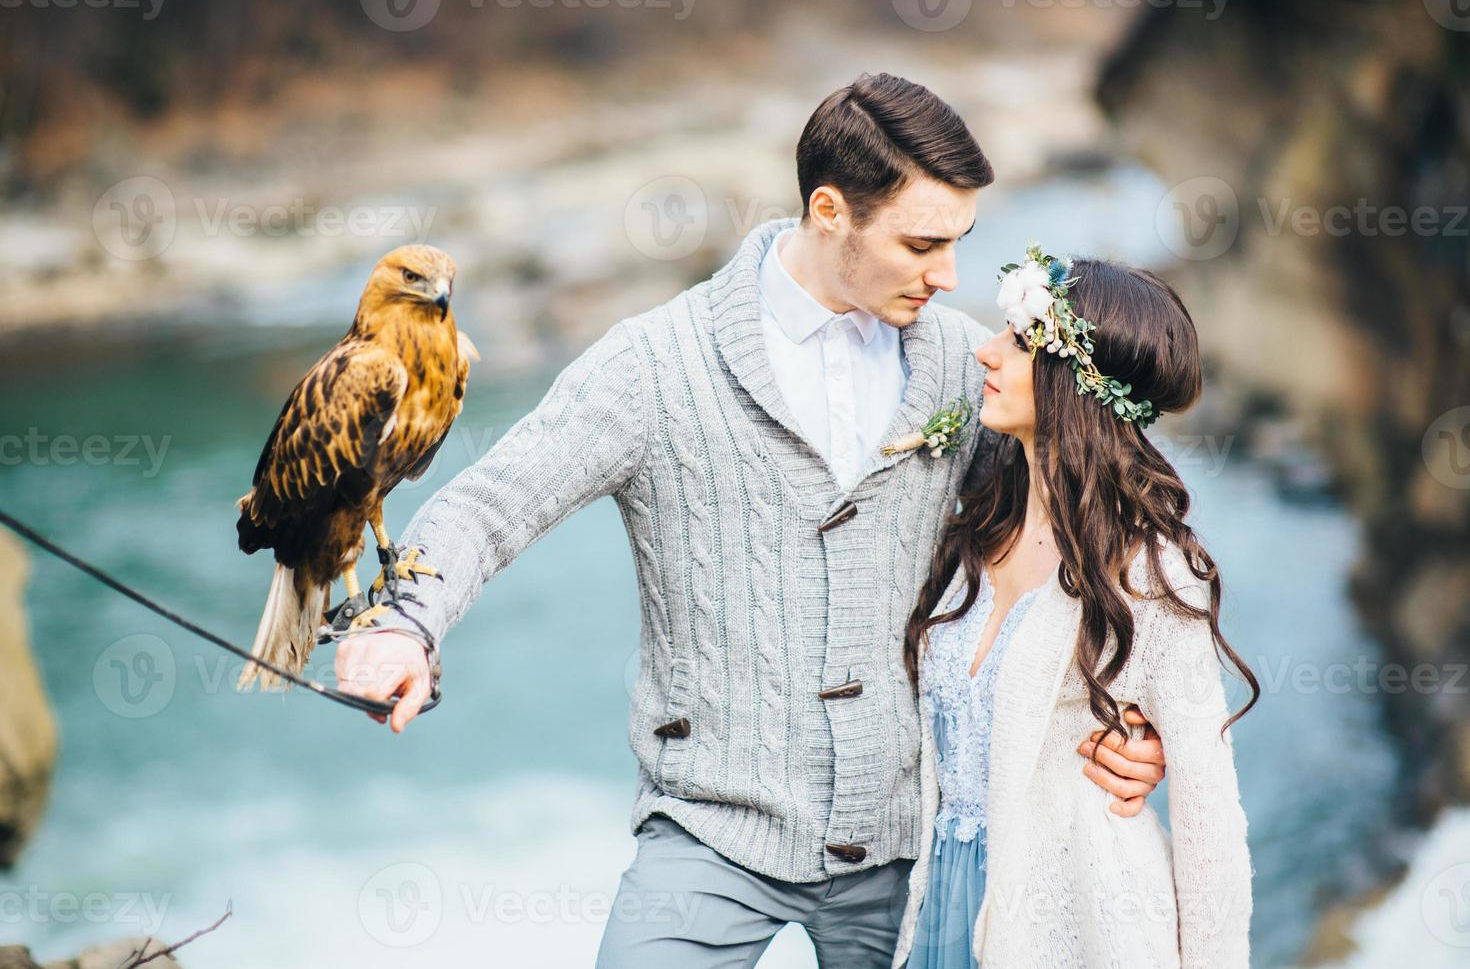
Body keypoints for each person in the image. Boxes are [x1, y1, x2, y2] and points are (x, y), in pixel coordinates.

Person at [336, 72, 1171, 967]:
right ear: (830, 211)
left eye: (959, 243)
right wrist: (406, 626)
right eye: (922, 243)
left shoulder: (968, 368)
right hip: (705, 836)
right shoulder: (654, 365)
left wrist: (1129, 719)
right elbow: (492, 503)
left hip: (912, 841)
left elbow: (1075, 537)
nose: (948, 275)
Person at [892, 247, 1259, 968]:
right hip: (941, 909)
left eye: (1021, 342)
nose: (986, 354)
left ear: (1076, 383)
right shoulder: (974, 527)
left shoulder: (1152, 573)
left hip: (1083, 927)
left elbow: (1209, 817)